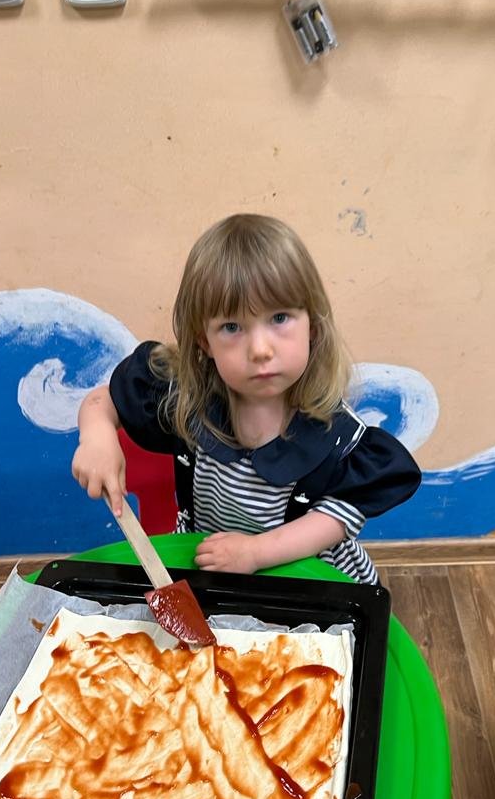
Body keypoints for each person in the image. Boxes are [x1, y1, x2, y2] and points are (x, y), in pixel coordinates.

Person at [72, 213, 421, 584]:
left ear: (313, 327)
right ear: (204, 341)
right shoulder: (187, 398)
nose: (260, 349)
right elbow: (103, 401)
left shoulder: (332, 430)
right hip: (212, 564)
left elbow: (337, 519)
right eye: (232, 327)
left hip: (308, 576)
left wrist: (256, 552)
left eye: (280, 318)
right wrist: (97, 437)